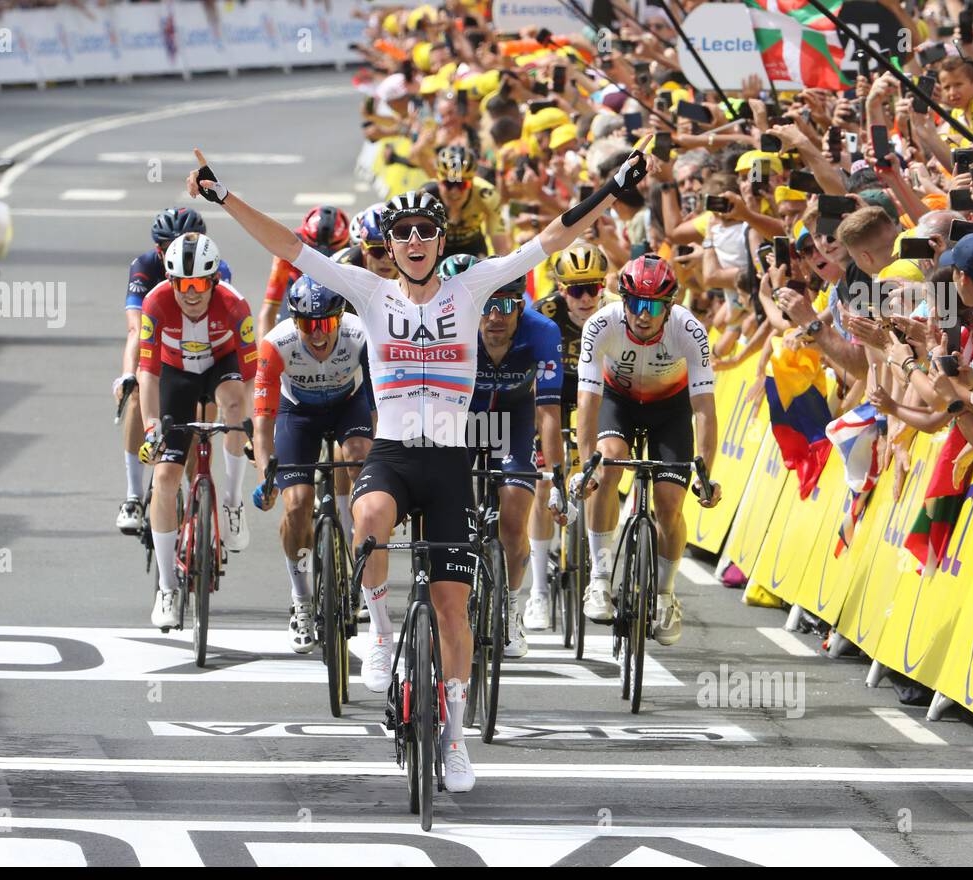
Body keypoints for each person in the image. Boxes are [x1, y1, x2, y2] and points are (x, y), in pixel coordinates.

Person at [186, 140, 653, 793]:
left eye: (424, 232)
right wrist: (222, 196)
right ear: (392, 245)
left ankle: (456, 739)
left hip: (450, 464)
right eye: (401, 233)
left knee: (452, 607)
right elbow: (289, 247)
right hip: (395, 454)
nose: (412, 240)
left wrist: (611, 188)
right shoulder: (370, 292)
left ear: (438, 242)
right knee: (367, 516)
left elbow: (551, 238)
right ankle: (378, 635)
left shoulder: (472, 286)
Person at [573, 255, 722, 645]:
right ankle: (600, 577)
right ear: (622, 301)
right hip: (617, 403)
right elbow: (587, 401)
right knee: (605, 468)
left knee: (670, 504)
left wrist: (705, 473)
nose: (643, 314)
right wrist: (584, 465)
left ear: (669, 306)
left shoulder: (689, 329)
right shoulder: (600, 324)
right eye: (635, 303)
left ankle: (665, 594)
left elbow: (704, 408)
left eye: (653, 305)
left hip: (670, 410)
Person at [136, 233, 257, 628]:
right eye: (182, 284)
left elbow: (253, 376)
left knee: (235, 404)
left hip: (221, 367)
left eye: (200, 284)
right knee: (166, 475)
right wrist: (152, 426)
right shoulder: (156, 303)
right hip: (176, 375)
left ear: (213, 282)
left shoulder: (235, 306)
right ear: (171, 282)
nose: (191, 294)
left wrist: (252, 425)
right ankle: (168, 588)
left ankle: (233, 502)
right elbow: (148, 373)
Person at [250, 276, 374, 652]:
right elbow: (262, 423)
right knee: (298, 504)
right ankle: (302, 600)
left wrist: (382, 470)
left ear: (340, 319)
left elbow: (377, 405)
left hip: (347, 407)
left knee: (359, 460)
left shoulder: (361, 335)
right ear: (294, 322)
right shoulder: (277, 344)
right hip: (297, 415)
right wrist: (265, 478)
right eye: (307, 324)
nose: (317, 335)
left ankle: (359, 556)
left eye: (325, 324)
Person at [114, 208, 236, 538]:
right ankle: (133, 497)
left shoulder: (217, 268)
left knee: (201, 428)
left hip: (201, 352)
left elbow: (222, 327)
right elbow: (136, 330)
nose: (171, 253)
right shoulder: (144, 267)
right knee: (139, 390)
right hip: (160, 351)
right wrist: (128, 375)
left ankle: (200, 510)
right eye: (164, 247)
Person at [467, 272, 567, 657]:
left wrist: (557, 479)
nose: (495, 316)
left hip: (514, 419)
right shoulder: (457, 327)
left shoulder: (542, 332)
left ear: (520, 307)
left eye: (505, 306)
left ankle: (509, 608)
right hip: (463, 418)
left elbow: (549, 413)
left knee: (513, 516)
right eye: (487, 307)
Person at [523, 242, 615, 629]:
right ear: (561, 289)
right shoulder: (542, 314)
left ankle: (598, 569)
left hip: (597, 391)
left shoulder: (614, 312)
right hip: (552, 392)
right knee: (545, 485)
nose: (586, 297)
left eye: (593, 287)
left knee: (600, 471)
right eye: (576, 289)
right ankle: (538, 591)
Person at [255, 206, 351, 341]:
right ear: (305, 243)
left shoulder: (352, 250)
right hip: (296, 284)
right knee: (286, 326)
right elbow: (269, 310)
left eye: (328, 255)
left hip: (337, 285)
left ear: (346, 244)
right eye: (313, 253)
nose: (319, 262)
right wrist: (264, 356)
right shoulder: (288, 246)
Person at [425, 144, 509, 257]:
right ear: (438, 181)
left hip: (472, 245)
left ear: (472, 182)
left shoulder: (487, 195)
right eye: (448, 184)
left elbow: (501, 247)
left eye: (462, 185)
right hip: (438, 247)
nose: (455, 192)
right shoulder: (425, 197)